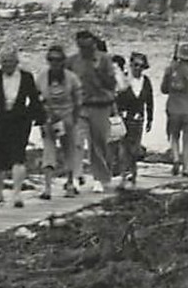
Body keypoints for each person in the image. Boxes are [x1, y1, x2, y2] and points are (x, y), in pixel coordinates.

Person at [0, 47, 43, 207]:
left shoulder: (27, 77)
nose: (7, 65)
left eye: (10, 61)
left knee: (18, 156)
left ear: (16, 62)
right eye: (4, 61)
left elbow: (34, 99)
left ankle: (17, 194)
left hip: (20, 121)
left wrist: (36, 117)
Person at [67, 30, 118, 192]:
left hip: (100, 105)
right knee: (76, 142)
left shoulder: (105, 60)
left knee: (98, 143)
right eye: (81, 46)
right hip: (79, 107)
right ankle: (75, 177)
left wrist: (99, 70)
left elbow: (112, 84)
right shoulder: (72, 61)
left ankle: (99, 178)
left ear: (94, 44)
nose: (85, 50)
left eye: (88, 46)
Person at [36, 44, 84, 199]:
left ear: (62, 61)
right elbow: (36, 98)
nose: (54, 63)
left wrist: (74, 119)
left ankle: (70, 184)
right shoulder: (42, 77)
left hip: (67, 117)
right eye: (51, 60)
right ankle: (48, 188)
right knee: (48, 152)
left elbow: (78, 101)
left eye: (57, 60)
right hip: (49, 118)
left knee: (69, 151)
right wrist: (41, 118)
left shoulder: (71, 78)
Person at [160, 42, 188, 176]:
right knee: (187, 140)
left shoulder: (170, 70)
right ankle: (185, 167)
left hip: (173, 109)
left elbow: (164, 90)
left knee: (173, 136)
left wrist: (170, 75)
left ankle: (175, 158)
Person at [114, 51, 154, 188]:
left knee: (135, 147)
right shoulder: (124, 80)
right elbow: (117, 98)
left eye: (141, 66)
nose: (138, 68)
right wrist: (117, 114)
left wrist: (150, 119)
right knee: (123, 147)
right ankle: (124, 174)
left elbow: (150, 101)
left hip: (139, 118)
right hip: (124, 118)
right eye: (135, 65)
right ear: (130, 65)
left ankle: (133, 171)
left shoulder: (146, 81)